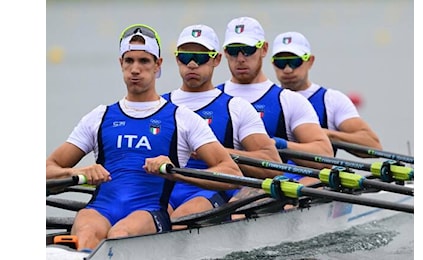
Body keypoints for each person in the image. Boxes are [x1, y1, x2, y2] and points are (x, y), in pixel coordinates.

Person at [45, 23, 243, 251]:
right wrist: (75, 172)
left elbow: (231, 172)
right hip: (101, 208)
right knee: (87, 233)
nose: (135, 69)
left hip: (148, 212)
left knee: (120, 235)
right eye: (129, 61)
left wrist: (175, 172)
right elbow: (48, 170)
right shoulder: (99, 117)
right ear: (121, 63)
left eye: (144, 61)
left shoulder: (182, 119)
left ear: (158, 65)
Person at [162, 24, 283, 227]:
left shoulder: (236, 108)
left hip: (211, 190)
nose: (192, 64)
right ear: (176, 59)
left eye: (200, 58)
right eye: (185, 56)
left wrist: (215, 152)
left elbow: (273, 165)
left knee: (176, 222)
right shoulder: (160, 106)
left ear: (216, 59)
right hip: (165, 187)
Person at [217, 16, 334, 186]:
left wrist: (282, 145)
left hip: (278, 187)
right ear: (225, 53)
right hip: (222, 186)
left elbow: (325, 155)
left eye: (248, 50)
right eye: (233, 51)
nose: (240, 58)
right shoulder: (213, 99)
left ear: (264, 49)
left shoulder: (289, 100)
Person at [271, 31, 382, 157]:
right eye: (280, 63)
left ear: (310, 61)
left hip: (316, 175)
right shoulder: (266, 98)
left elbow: (374, 146)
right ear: (272, 63)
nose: (287, 69)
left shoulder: (332, 100)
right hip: (273, 176)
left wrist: (326, 135)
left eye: (295, 62)